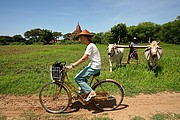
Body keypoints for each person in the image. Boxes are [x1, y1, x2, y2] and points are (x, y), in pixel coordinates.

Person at [66, 29, 101, 101]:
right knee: (82, 79)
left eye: (81, 37)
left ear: (86, 37)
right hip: (93, 65)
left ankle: (91, 92)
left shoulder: (90, 46)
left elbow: (83, 58)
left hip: (94, 67)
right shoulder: (90, 45)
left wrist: (72, 66)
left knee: (77, 78)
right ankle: (81, 95)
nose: (80, 39)